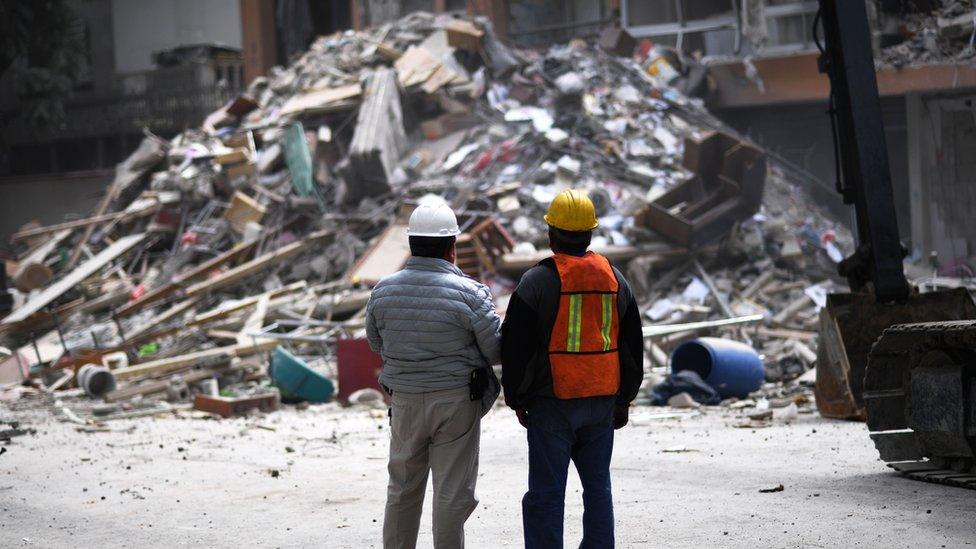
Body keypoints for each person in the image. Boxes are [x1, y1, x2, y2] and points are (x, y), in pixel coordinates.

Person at [501, 189, 643, 549]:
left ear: (551, 235)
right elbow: (632, 344)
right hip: (602, 401)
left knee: (546, 494)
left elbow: (515, 346)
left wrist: (517, 398)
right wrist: (624, 398)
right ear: (590, 234)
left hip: (553, 403)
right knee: (598, 488)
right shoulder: (614, 277)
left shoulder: (536, 281)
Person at [366, 197, 502, 549]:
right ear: (452, 248)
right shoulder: (472, 294)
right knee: (451, 494)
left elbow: (376, 342)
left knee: (402, 490)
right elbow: (496, 351)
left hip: (406, 403)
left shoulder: (383, 291)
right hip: (457, 403)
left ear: (411, 244)